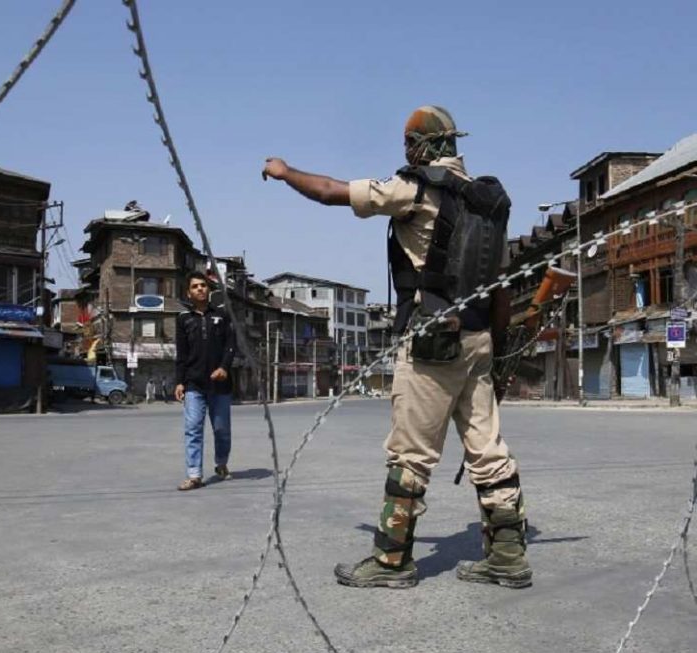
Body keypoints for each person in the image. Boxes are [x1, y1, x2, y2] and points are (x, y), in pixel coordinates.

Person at [262, 105, 530, 589]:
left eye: (408, 142)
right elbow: (503, 289)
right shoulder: (489, 203)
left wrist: (284, 173)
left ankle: (392, 561)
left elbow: (330, 192)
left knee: (409, 455)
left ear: (419, 145)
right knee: (488, 451)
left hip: (432, 342)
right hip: (479, 338)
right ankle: (508, 557)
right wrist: (500, 348)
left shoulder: (416, 187)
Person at [174, 271, 236, 491]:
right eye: (195, 286)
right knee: (192, 428)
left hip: (220, 385)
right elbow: (181, 354)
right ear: (188, 292)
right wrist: (180, 381)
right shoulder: (183, 319)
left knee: (221, 429)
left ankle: (221, 464)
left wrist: (223, 368)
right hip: (194, 384)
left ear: (208, 290)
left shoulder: (221, 316)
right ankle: (194, 475)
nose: (200, 289)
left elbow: (231, 345)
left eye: (203, 285)